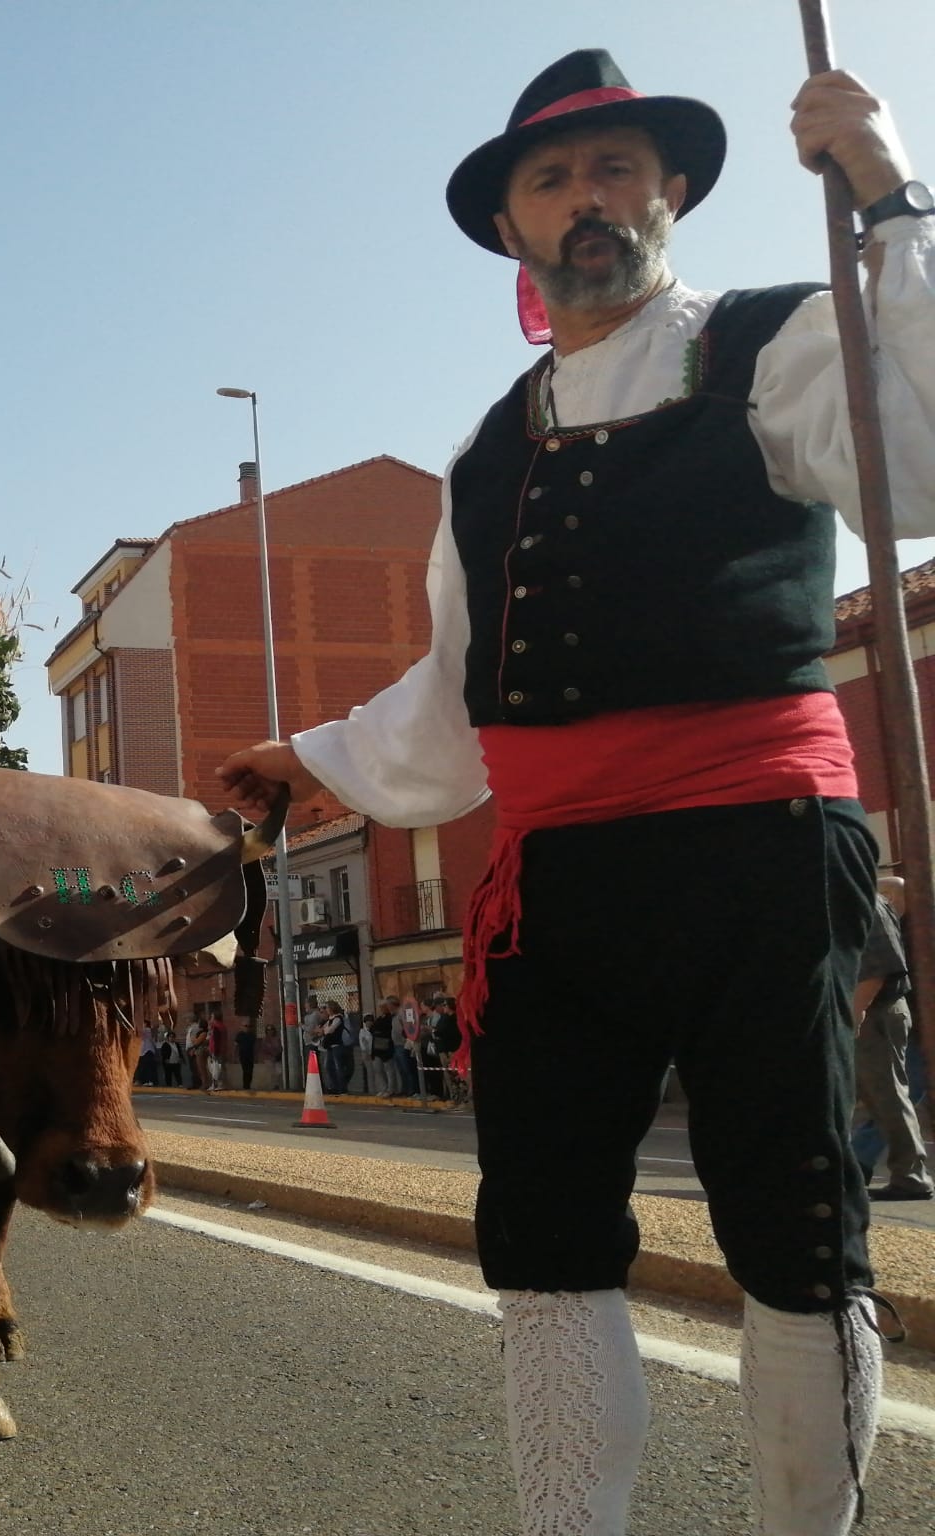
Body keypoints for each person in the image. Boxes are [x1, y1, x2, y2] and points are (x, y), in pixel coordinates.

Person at [216, 50, 935, 1535]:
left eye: (615, 168)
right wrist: (313, 757)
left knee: (797, 1232)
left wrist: (892, 200)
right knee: (543, 1240)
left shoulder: (776, 342)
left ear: (669, 190)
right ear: (514, 231)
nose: (587, 200)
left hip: (760, 849)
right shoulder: (487, 448)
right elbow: (457, 689)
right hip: (560, 883)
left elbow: (921, 452)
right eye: (553, 180)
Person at [852, 876, 932, 1200]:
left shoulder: (870, 907)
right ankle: (875, 1168)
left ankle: (910, 1177)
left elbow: (877, 970)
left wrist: (854, 1012)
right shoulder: (879, 910)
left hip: (879, 1013)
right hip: (883, 1013)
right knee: (884, 1095)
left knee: (889, 1094)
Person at [365, 998, 399, 1097]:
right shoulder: (379, 1019)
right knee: (378, 1069)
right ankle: (383, 1088)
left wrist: (377, 1031)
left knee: (389, 1069)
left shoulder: (391, 1018)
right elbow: (372, 1029)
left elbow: (387, 1031)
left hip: (386, 1047)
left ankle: (391, 1089)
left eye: (383, 1007)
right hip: (376, 1048)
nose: (381, 1009)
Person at [234, 1019, 258, 1092]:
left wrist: (256, 1056)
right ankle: (245, 1086)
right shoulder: (239, 1035)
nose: (247, 1027)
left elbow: (255, 1046)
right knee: (245, 1070)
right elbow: (236, 1046)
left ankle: (248, 1085)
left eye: (249, 1026)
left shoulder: (252, 1035)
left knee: (250, 1070)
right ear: (242, 1027)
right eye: (246, 1026)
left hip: (250, 1055)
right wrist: (235, 1056)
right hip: (243, 1055)